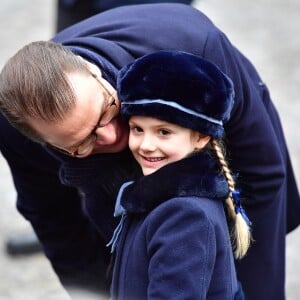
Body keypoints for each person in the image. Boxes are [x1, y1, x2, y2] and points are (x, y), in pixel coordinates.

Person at [0, 3, 299, 299]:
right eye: (83, 143)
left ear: (91, 71)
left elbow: (262, 175)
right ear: (43, 142)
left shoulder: (192, 43)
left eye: (107, 110)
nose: (115, 134)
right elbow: (59, 227)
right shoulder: (14, 131)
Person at [108, 49, 250, 299]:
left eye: (164, 132)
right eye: (137, 129)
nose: (146, 144)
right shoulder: (156, 196)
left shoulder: (185, 216)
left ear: (201, 136)